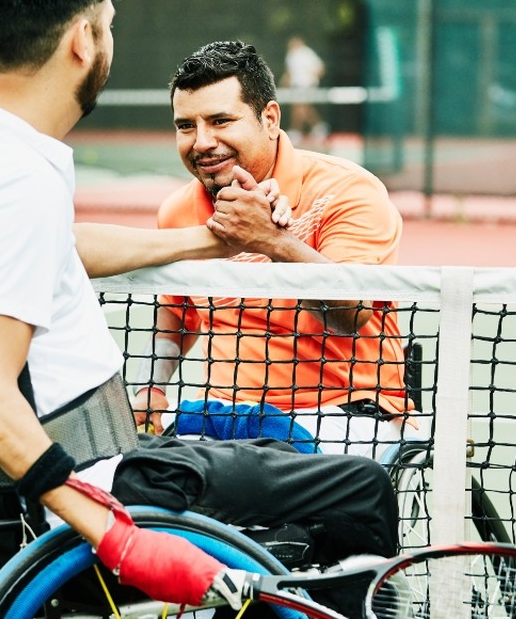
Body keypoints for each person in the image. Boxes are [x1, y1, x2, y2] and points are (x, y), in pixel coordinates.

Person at [0, 0, 398, 614]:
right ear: (82, 39)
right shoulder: (17, 184)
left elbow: (58, 246)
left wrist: (215, 239)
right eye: (111, 25)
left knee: (259, 448)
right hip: (99, 490)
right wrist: (118, 537)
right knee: (360, 488)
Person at [131, 40, 422, 461]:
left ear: (269, 119)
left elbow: (350, 313)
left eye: (220, 121)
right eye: (186, 126)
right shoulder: (178, 211)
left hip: (346, 416)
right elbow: (178, 312)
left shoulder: (349, 191)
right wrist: (151, 387)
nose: (201, 142)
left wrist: (271, 241)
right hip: (224, 422)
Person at [281, 35, 328, 146]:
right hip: (296, 86)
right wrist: (284, 84)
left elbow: (320, 68)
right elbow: (289, 73)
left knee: (300, 108)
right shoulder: (291, 55)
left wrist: (312, 79)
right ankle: (319, 128)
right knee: (302, 109)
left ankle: (296, 132)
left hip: (307, 85)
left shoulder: (307, 53)